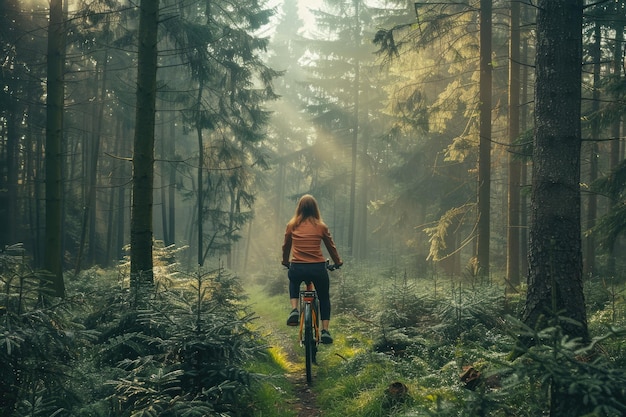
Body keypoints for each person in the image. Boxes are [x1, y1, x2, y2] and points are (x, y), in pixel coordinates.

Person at [281, 194, 343, 344]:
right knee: (324, 298)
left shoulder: (292, 225)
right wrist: (337, 262)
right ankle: (325, 331)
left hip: (298, 266)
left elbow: (286, 246)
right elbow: (331, 246)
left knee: (293, 280)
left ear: (299, 208)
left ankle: (294, 309)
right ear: (315, 208)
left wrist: (285, 261)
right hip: (317, 268)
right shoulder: (321, 226)